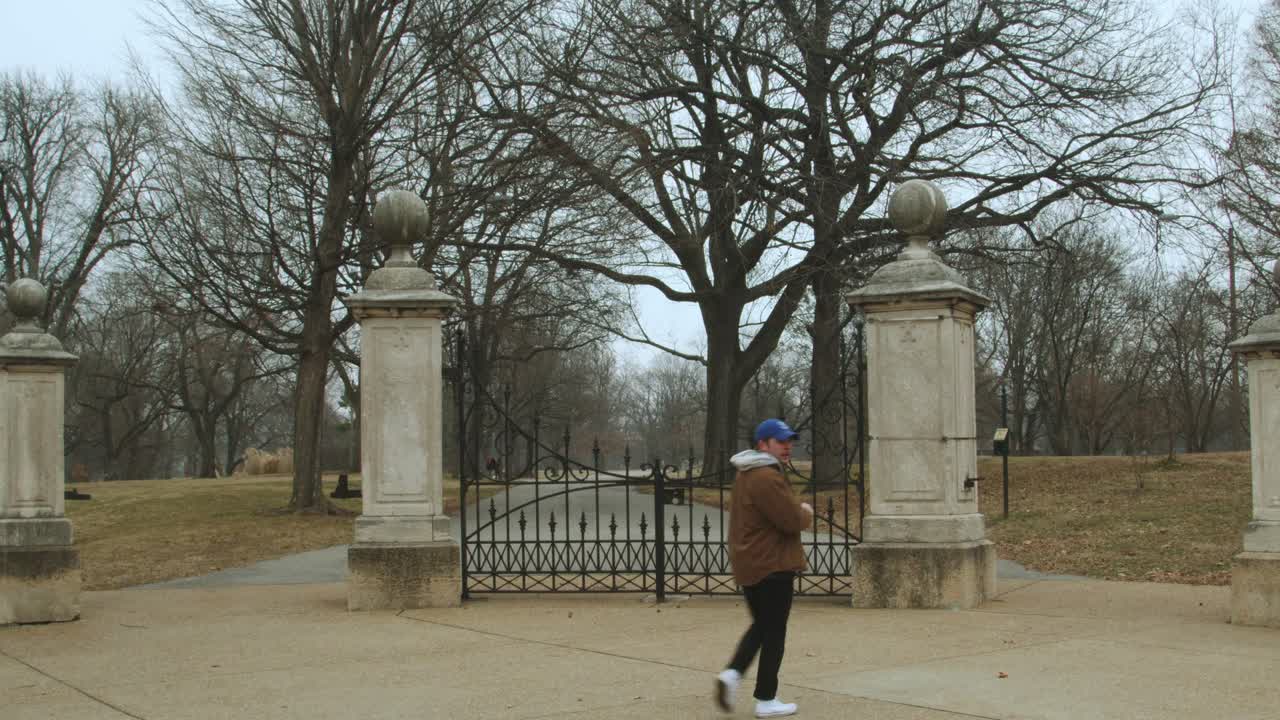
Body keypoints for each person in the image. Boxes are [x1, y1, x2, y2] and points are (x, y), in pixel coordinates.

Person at [716, 418, 813, 718]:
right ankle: (762, 697)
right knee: (774, 631)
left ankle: (735, 676)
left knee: (763, 626)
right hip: (772, 564)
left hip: (752, 562)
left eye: (789, 441)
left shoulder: (747, 474)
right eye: (780, 441)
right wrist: (805, 512)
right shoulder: (765, 477)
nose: (787, 447)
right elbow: (790, 520)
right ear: (762, 444)